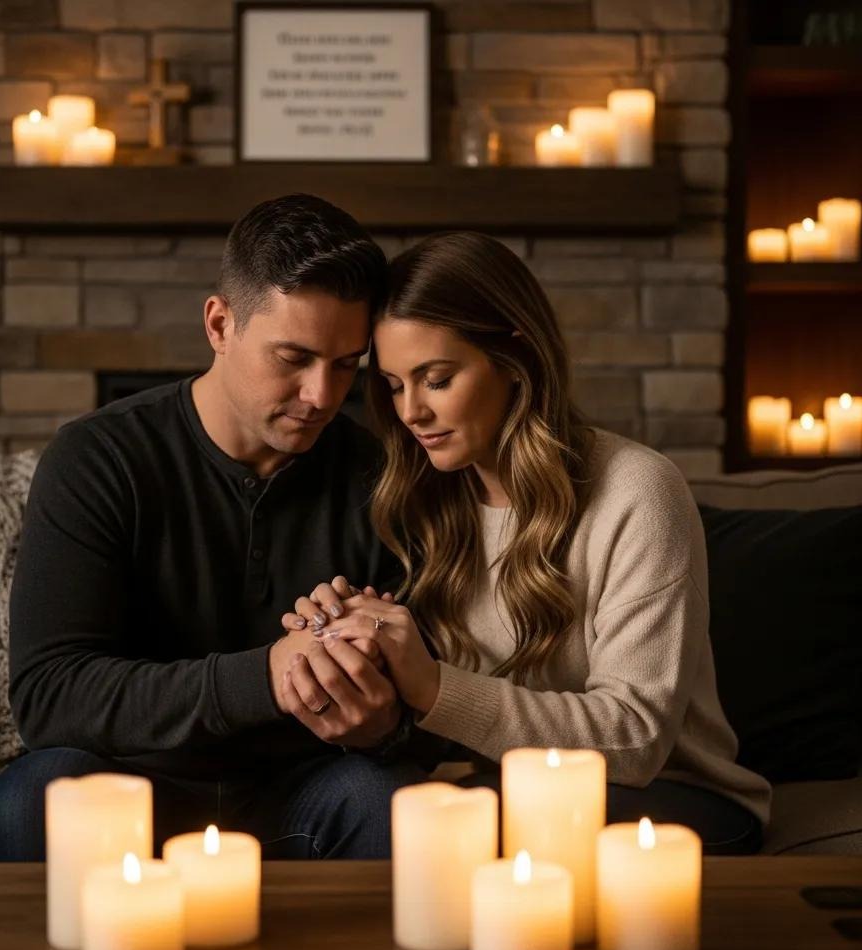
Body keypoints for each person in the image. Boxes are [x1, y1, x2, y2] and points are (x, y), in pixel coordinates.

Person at [283, 231, 772, 854]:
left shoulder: (638, 491)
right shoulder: (424, 496)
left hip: (674, 803)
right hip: (497, 790)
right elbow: (431, 724)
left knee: (447, 827)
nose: (411, 413)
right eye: (394, 385)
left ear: (515, 360)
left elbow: (635, 738)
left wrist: (433, 685)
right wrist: (358, 647)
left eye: (436, 379)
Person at [0, 194, 429, 863]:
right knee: (31, 799)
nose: (322, 397)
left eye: (345, 365)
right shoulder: (98, 458)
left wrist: (382, 723)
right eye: (293, 357)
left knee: (401, 806)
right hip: (134, 784)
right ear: (219, 325)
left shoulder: (381, 475)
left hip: (303, 787)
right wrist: (266, 676)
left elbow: (426, 714)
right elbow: (49, 698)